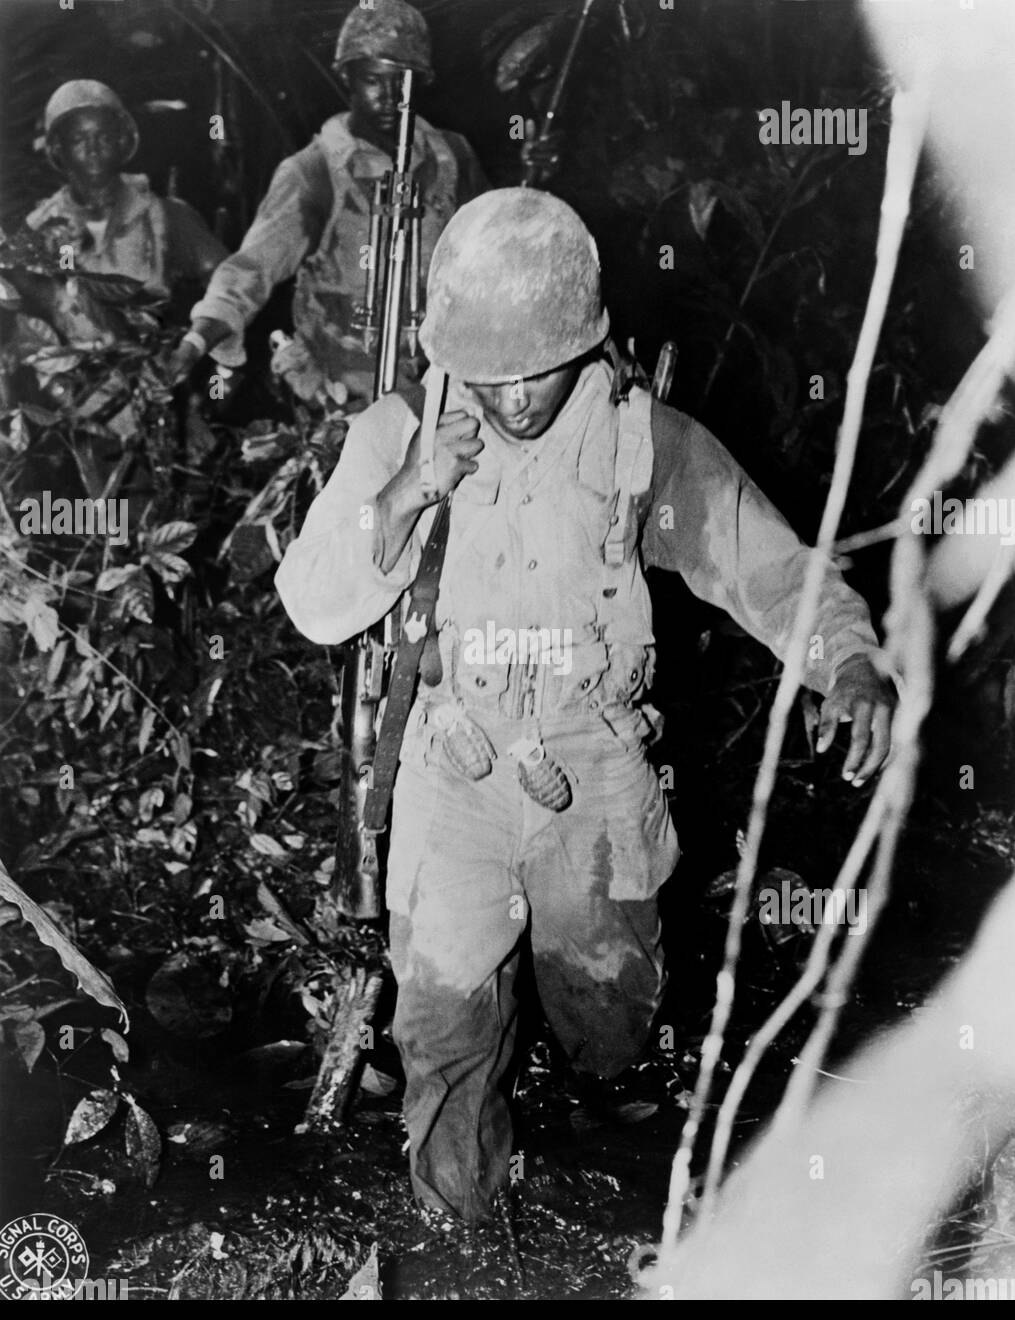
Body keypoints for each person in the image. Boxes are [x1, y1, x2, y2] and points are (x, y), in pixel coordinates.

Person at [274, 188, 896, 1226]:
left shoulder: (638, 442)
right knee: (444, 1026)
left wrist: (849, 659)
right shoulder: (396, 431)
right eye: (492, 373)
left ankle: (606, 1108)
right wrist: (407, 493)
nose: (516, 398)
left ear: (590, 341)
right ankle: (459, 1237)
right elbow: (312, 605)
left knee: (606, 1018)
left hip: (593, 772)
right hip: (452, 767)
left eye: (541, 369)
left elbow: (771, 567)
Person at [168, 0, 489, 406]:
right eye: (374, 80)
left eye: (402, 82)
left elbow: (495, 257)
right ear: (348, 78)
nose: (390, 97)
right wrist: (196, 341)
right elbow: (251, 269)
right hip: (341, 388)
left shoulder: (453, 159)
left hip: (440, 382)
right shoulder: (314, 172)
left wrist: (531, 192)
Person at [24, 80, 228, 347]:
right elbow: (24, 310)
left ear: (122, 141)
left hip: (161, 370)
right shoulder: (40, 228)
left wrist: (195, 342)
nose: (92, 147)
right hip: (79, 378)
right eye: (78, 139)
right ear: (59, 148)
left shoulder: (165, 215)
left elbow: (228, 281)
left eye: (104, 136)